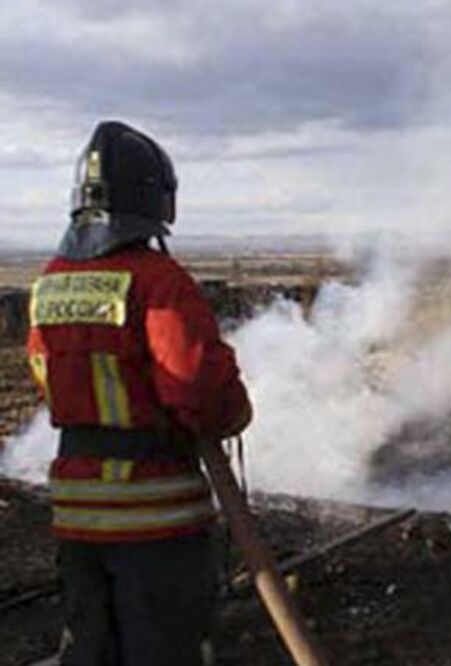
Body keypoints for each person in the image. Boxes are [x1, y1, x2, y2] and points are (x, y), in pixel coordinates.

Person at [26, 120, 253, 665]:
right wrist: (232, 412)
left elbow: (45, 375)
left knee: (91, 650)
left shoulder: (49, 282)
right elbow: (198, 388)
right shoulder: (159, 280)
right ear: (156, 199)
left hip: (77, 513)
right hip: (156, 516)